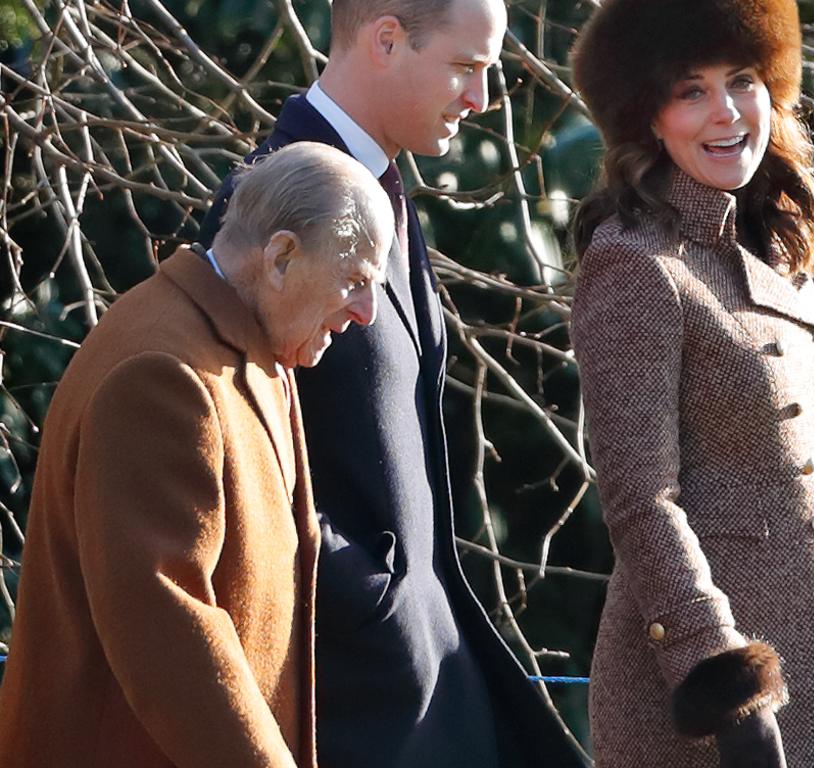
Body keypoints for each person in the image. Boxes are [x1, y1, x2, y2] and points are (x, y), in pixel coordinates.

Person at [198, 2, 586, 767]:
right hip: (347, 702)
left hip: (431, 686)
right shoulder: (271, 204)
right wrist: (366, 598)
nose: (481, 100)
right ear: (385, 39)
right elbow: (218, 445)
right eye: (466, 68)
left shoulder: (382, 189)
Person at [569, 1, 814, 766]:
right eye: (690, 90)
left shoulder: (773, 248)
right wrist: (720, 677)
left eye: (741, 80)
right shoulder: (635, 264)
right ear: (648, 117)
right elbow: (642, 501)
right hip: (709, 690)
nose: (726, 112)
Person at [0, 142, 391, 768]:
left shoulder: (248, 342)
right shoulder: (162, 373)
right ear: (282, 256)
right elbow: (167, 634)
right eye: (355, 280)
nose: (367, 312)